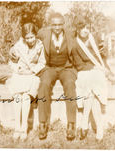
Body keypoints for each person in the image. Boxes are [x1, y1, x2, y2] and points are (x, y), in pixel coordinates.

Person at [37, 12, 80, 140]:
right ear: (50, 24)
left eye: (59, 24)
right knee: (43, 85)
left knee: (70, 85)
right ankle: (43, 123)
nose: (57, 27)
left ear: (63, 24)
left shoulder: (71, 33)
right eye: (54, 24)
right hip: (49, 67)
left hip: (66, 67)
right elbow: (26, 38)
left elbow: (85, 39)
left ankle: (71, 124)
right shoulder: (43, 33)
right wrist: (13, 49)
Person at [7, 23, 46, 141]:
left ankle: (24, 127)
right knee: (18, 95)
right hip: (20, 74)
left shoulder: (40, 45)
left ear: (35, 35)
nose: (30, 40)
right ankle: (17, 127)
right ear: (24, 38)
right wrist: (18, 69)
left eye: (32, 37)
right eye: (27, 38)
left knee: (25, 96)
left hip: (32, 75)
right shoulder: (17, 47)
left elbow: (42, 62)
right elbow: (11, 62)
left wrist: (33, 71)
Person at [73, 17, 109, 142]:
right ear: (77, 29)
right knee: (91, 87)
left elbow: (102, 57)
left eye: (87, 28)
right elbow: (79, 64)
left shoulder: (95, 39)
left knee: (92, 87)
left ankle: (84, 122)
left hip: (97, 72)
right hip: (84, 72)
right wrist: (93, 67)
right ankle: (99, 127)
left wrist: (101, 66)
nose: (84, 31)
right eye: (81, 28)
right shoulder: (75, 43)